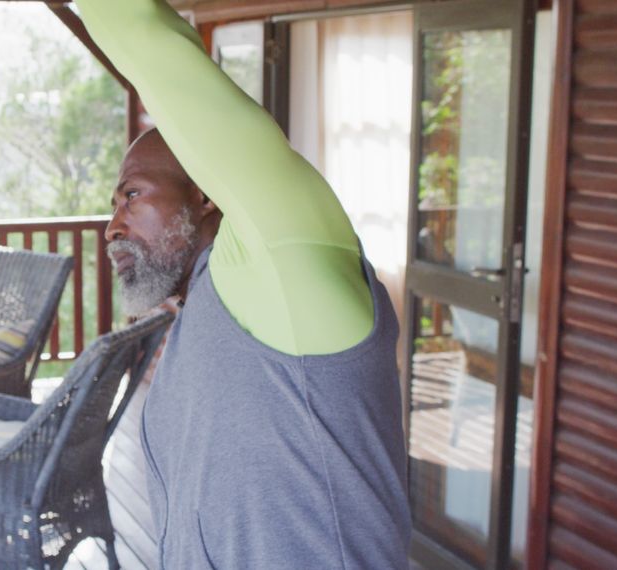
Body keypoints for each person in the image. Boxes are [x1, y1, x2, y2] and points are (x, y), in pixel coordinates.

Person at [74, 0, 412, 567]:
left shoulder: (283, 264)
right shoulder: (201, 309)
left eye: (132, 195)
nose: (112, 227)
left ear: (207, 192)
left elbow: (148, 42)